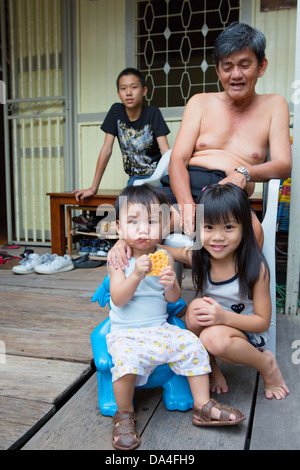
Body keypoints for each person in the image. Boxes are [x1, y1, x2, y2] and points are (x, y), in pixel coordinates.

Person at [107, 184, 245, 451]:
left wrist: (171, 284)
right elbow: (118, 299)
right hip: (126, 331)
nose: (143, 229)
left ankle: (203, 405)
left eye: (151, 221)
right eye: (133, 222)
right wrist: (135, 274)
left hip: (159, 327)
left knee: (193, 345)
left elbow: (172, 299)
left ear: (164, 226)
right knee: (126, 358)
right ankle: (123, 415)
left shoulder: (166, 256)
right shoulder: (119, 259)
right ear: (119, 229)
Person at [161, 22, 292, 239]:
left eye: (244, 65)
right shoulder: (199, 102)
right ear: (218, 71)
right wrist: (186, 206)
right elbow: (177, 159)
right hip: (187, 184)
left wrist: (244, 173)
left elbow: (283, 165)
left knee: (254, 234)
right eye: (227, 66)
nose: (236, 75)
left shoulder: (274, 105)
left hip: (229, 193)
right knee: (137, 217)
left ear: (261, 66)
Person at [169, 184, 288, 400]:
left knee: (212, 337)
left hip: (247, 333)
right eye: (209, 227)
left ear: (244, 228)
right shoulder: (199, 258)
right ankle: (211, 368)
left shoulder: (254, 268)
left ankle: (267, 365)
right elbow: (162, 248)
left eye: (228, 227)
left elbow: (262, 321)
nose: (217, 237)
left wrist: (224, 317)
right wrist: (125, 244)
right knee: (195, 310)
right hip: (216, 325)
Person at [73, 68, 170, 201]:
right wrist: (93, 188)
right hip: (135, 181)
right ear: (118, 93)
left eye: (134, 87)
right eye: (123, 88)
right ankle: (92, 220)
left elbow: (166, 152)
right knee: (127, 208)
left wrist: (173, 182)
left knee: (155, 209)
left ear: (144, 91)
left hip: (157, 179)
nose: (128, 93)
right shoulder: (116, 111)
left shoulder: (153, 113)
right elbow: (106, 149)